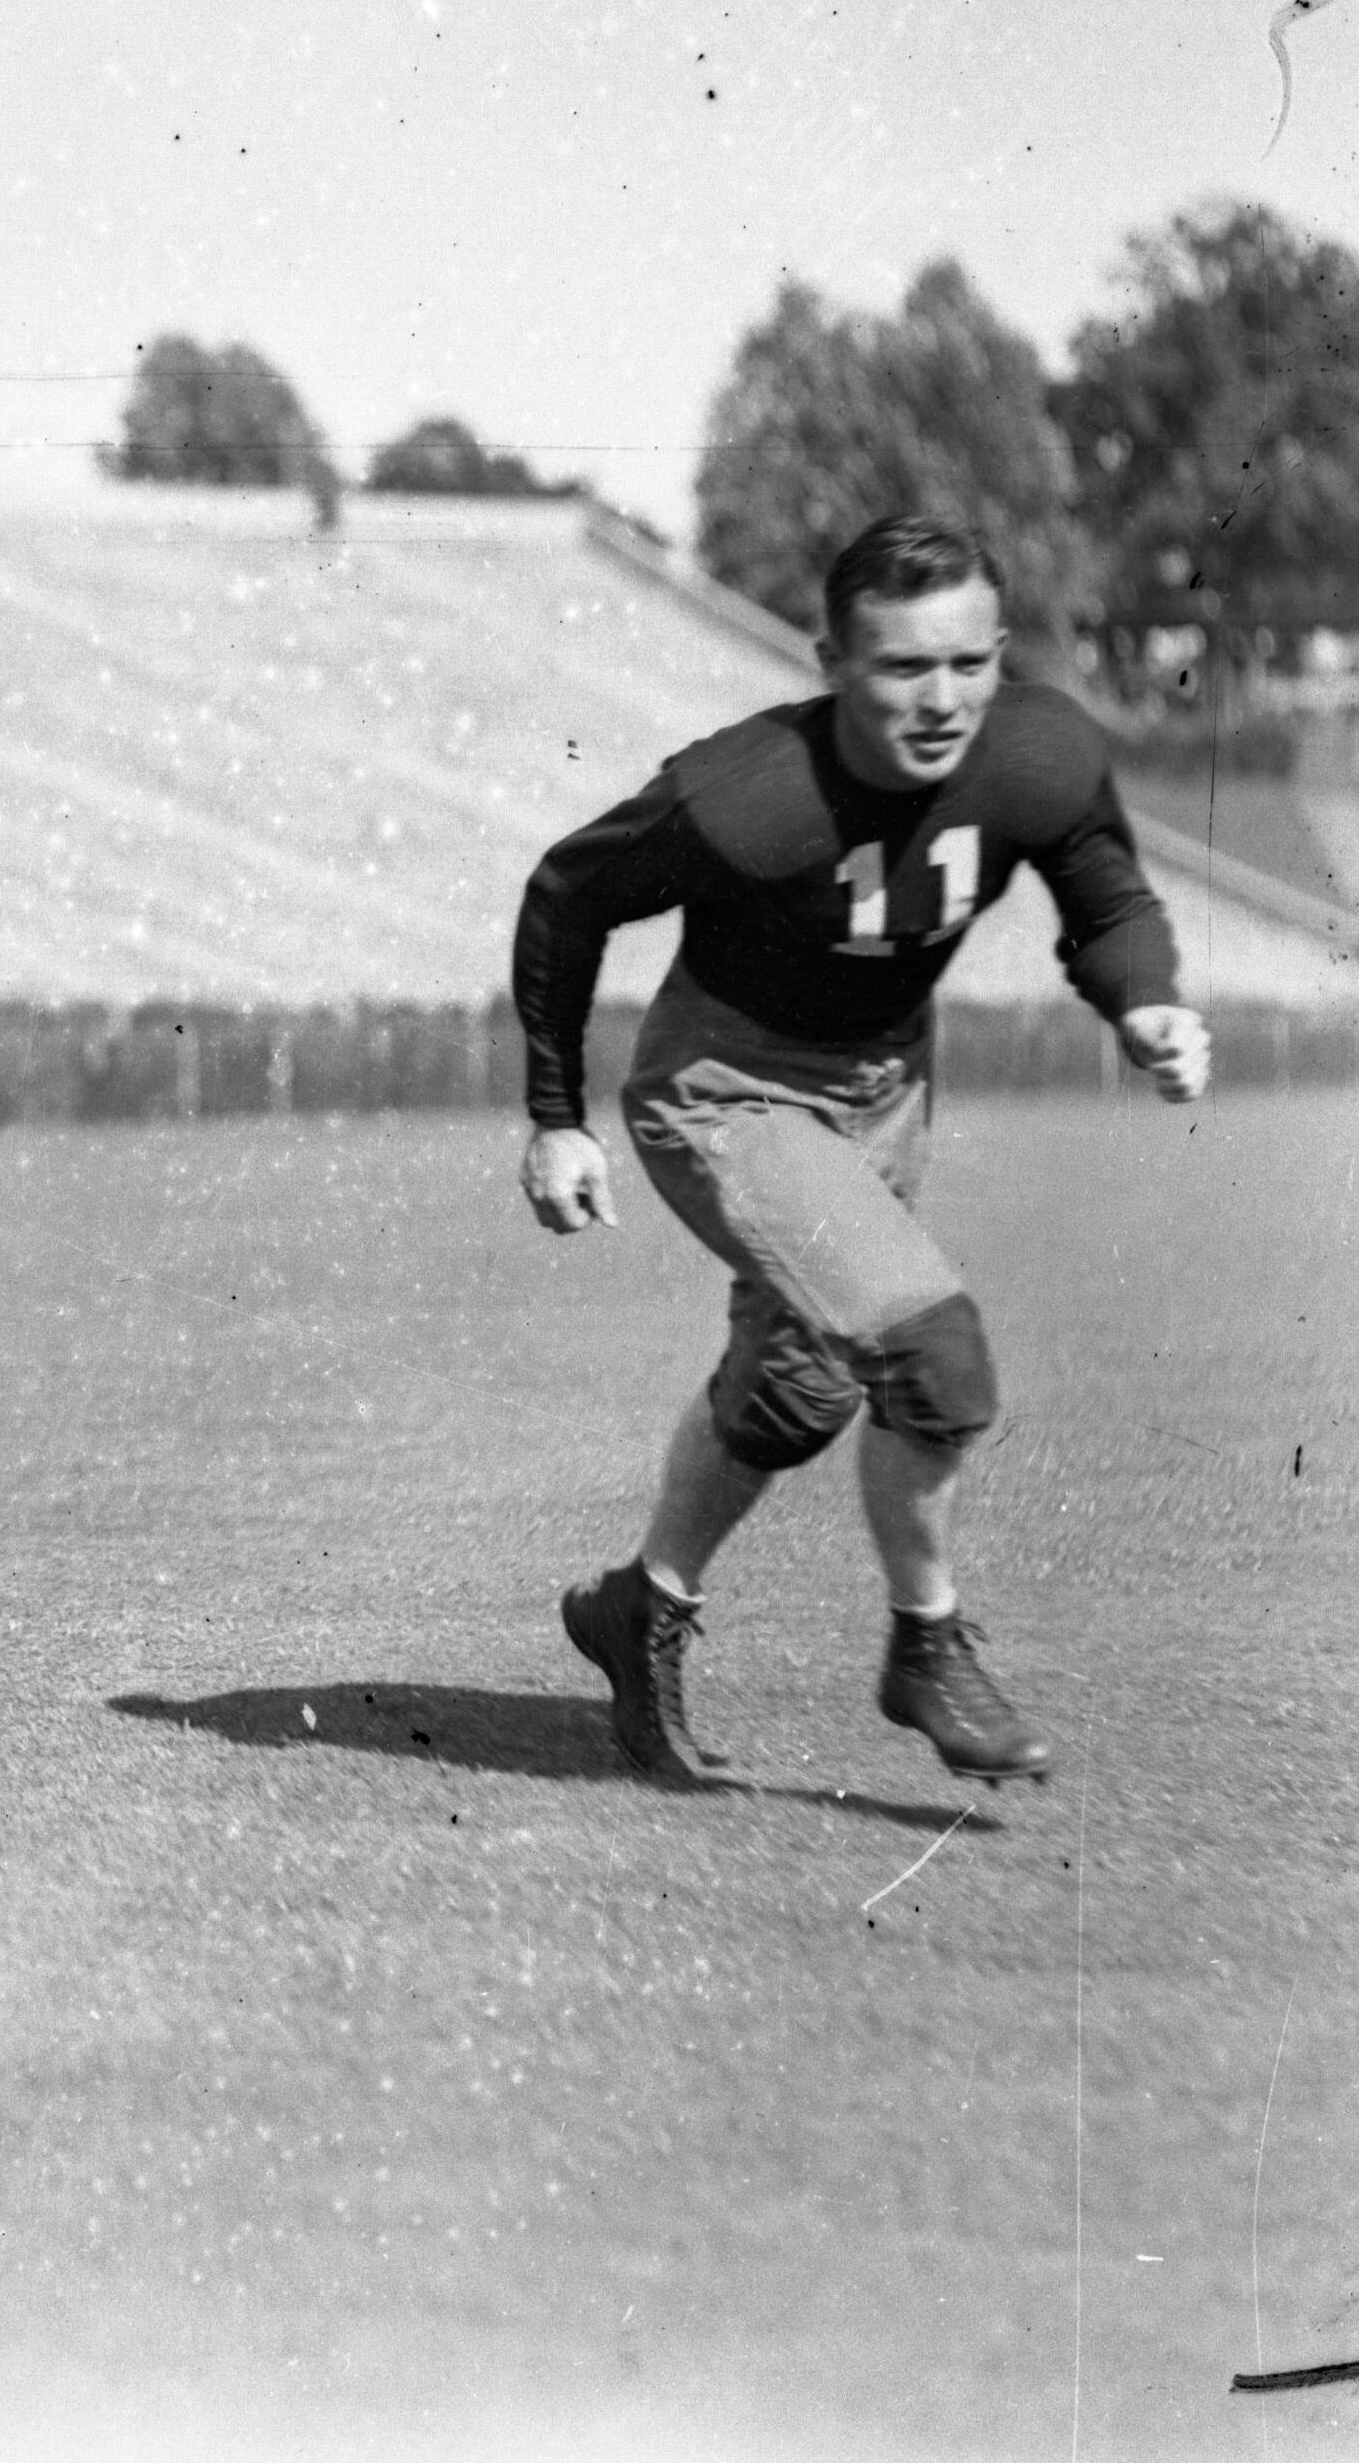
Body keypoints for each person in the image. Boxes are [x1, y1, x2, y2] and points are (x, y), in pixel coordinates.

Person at [511, 509, 1211, 1788]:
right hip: (726, 1086)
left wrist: (1145, 996)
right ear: (832, 659)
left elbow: (1105, 893)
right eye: (900, 667)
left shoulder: (1039, 750)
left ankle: (639, 1604)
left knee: (799, 1394)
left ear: (1002, 651)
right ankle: (927, 1645)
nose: (940, 699)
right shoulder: (749, 791)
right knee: (936, 1364)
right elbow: (569, 892)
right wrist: (557, 1115)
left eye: (966, 662)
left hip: (884, 1083)